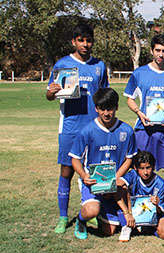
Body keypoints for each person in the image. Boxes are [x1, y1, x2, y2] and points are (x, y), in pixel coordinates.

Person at [46, 23, 109, 234]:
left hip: (94, 128)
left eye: (88, 40)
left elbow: (105, 96)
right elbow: (48, 95)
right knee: (66, 171)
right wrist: (52, 91)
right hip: (70, 127)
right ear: (74, 41)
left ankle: (89, 213)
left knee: (91, 172)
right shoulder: (62, 64)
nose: (85, 44)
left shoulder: (99, 65)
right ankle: (63, 217)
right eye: (81, 40)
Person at [124, 34, 164, 214]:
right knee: (140, 170)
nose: (161, 54)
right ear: (151, 50)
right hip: (144, 130)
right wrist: (139, 112)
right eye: (157, 50)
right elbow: (129, 98)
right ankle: (138, 209)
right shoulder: (139, 73)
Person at [69, 88, 137, 240]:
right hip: (93, 182)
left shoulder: (126, 130)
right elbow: (75, 159)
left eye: (110, 108)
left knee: (109, 231)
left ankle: (106, 211)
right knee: (91, 210)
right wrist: (84, 176)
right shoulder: (87, 131)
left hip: (115, 181)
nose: (106, 113)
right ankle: (81, 221)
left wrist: (114, 178)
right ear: (96, 108)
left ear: (117, 107)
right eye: (102, 109)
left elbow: (129, 159)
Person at [118, 151, 164, 242]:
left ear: (154, 167)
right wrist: (127, 212)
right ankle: (127, 225)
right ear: (135, 168)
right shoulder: (133, 175)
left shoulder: (159, 183)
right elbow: (118, 183)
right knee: (122, 188)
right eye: (141, 168)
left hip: (152, 214)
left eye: (148, 168)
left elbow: (160, 211)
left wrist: (156, 205)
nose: (146, 172)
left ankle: (146, 228)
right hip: (132, 212)